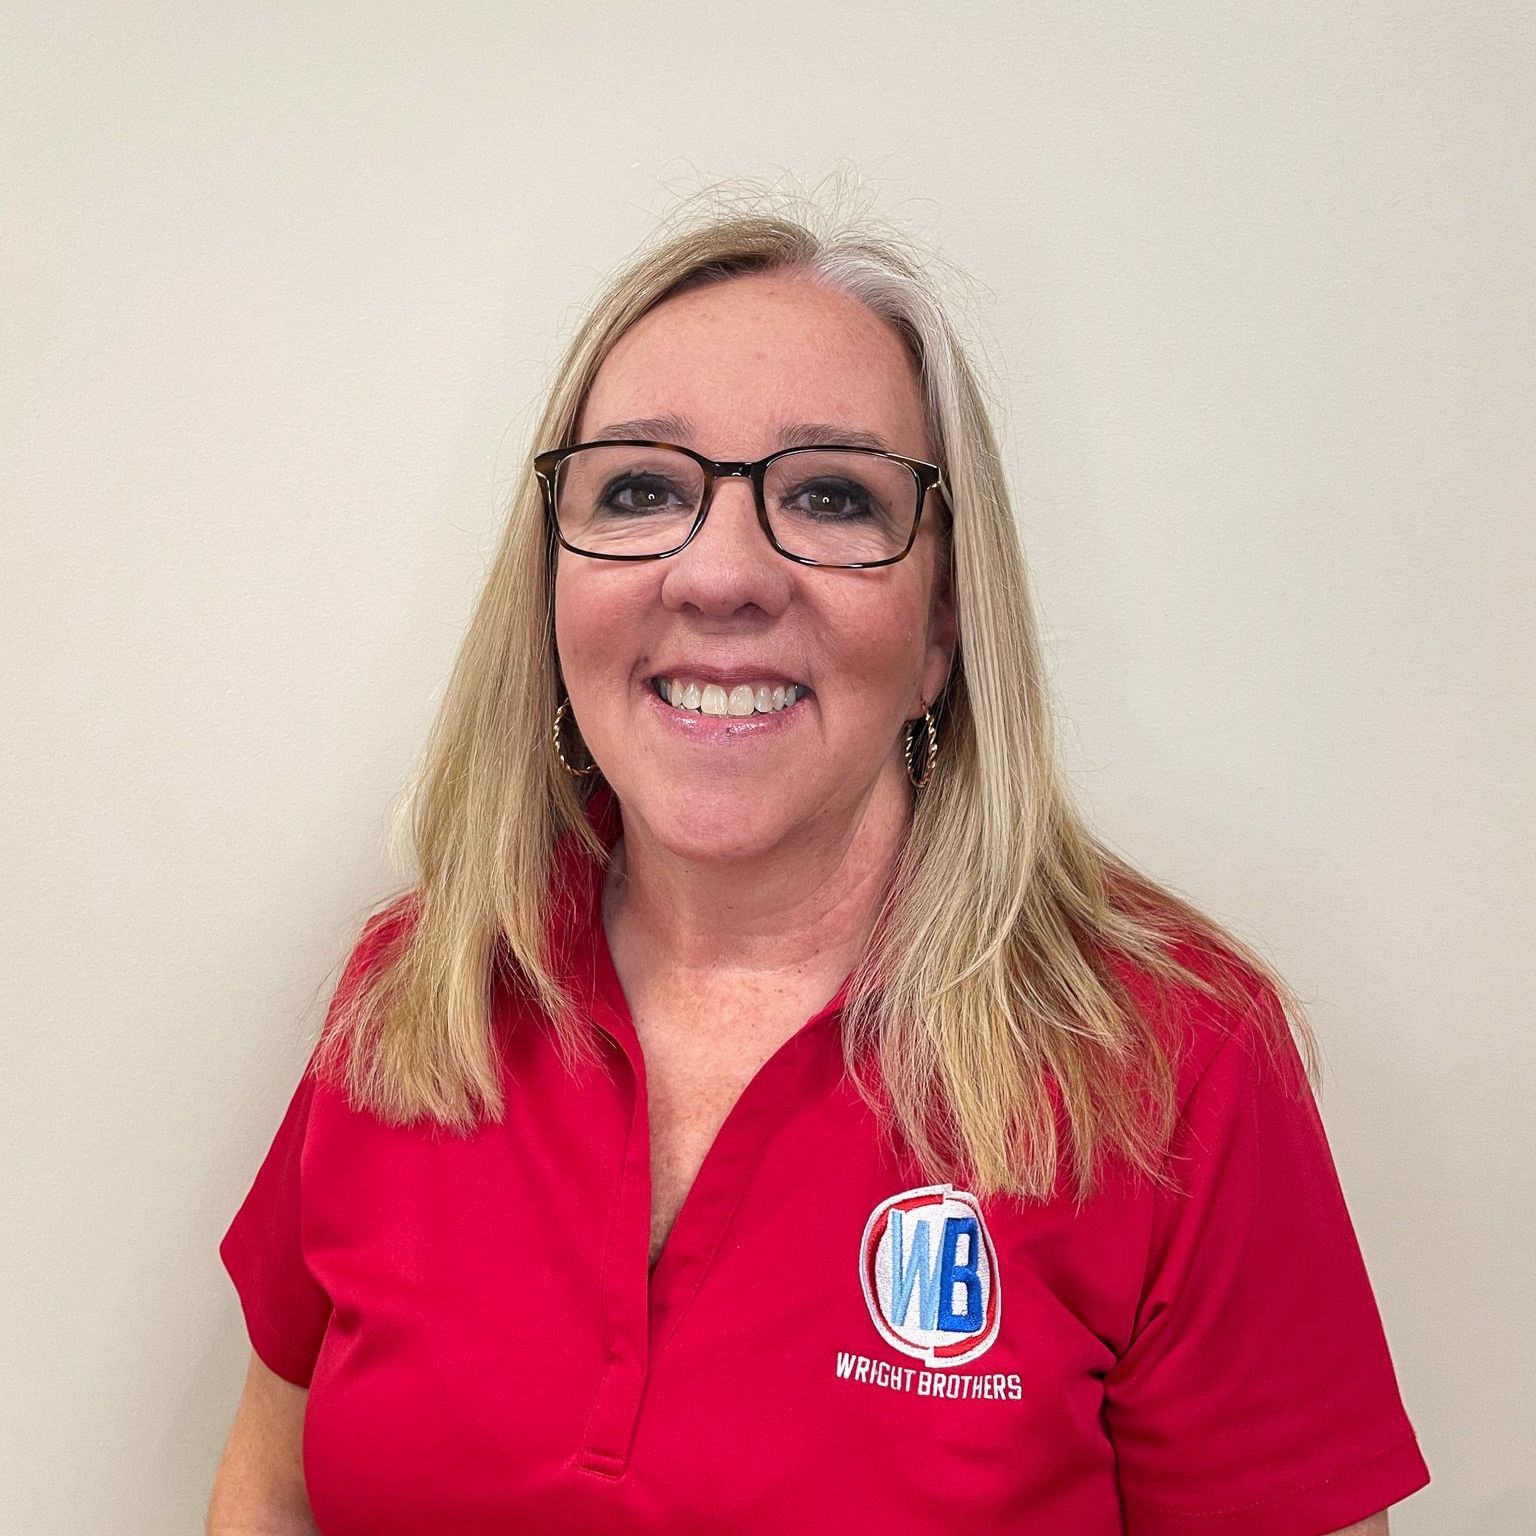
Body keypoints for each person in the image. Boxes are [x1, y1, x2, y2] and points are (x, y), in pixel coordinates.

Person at [208, 192, 1431, 1535]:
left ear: (943, 624)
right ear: (552, 589)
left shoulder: (1175, 1063)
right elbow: (272, 1487)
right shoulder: (416, 991)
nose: (719, 574)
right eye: (641, 489)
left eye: (833, 496)